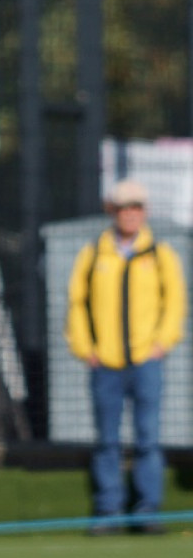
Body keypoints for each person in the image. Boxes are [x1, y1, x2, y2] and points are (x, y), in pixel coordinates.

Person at [65, 179, 187, 535]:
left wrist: (162, 344)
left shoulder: (159, 252)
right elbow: (77, 303)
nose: (130, 214)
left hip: (147, 361)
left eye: (136, 207)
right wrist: (86, 349)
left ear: (144, 212)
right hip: (105, 363)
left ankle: (148, 509)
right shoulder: (94, 252)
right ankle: (109, 510)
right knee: (107, 440)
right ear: (112, 211)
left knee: (148, 438)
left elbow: (175, 302)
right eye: (124, 208)